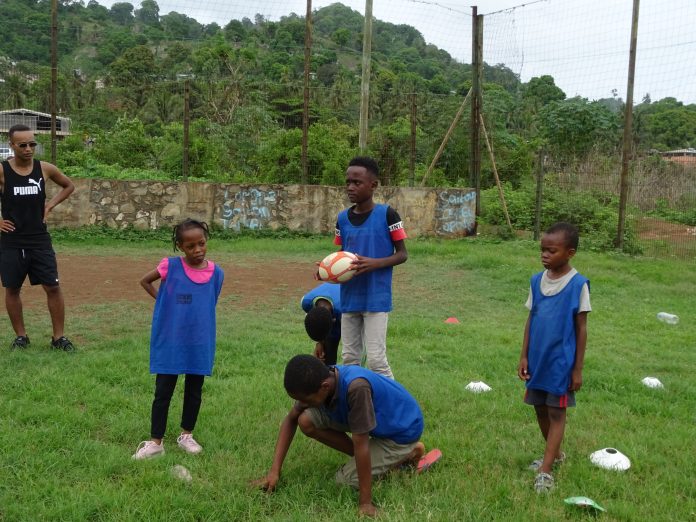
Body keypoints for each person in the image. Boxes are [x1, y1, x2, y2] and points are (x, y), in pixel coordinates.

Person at [253, 354, 441, 518]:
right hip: (376, 422)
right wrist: (274, 471)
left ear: (324, 387)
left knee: (344, 481)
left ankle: (406, 453)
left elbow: (361, 444)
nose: (301, 404)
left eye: (306, 400)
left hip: (401, 431)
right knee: (305, 420)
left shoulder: (356, 389)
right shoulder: (325, 378)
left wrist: (365, 503)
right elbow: (291, 420)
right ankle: (375, 461)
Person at [132, 219, 224, 460]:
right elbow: (144, 281)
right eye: (190, 246)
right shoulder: (169, 267)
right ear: (180, 246)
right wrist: (164, 301)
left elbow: (207, 304)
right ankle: (155, 443)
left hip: (199, 341)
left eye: (201, 244)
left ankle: (186, 435)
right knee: (163, 391)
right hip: (171, 340)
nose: (198, 250)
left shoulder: (217, 273)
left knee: (195, 390)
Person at [517, 222, 591, 493]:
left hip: (560, 364)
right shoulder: (536, 281)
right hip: (537, 360)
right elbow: (531, 318)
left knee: (556, 413)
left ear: (570, 252)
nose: (545, 255)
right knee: (539, 408)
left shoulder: (578, 285)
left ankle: (546, 470)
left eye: (552, 250)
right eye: (542, 250)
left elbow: (581, 329)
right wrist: (524, 355)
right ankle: (556, 456)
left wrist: (577, 369)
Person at [0, 124, 75, 351]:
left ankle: (58, 338)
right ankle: (21, 337)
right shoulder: (3, 171)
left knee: (53, 287)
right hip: (11, 240)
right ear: (11, 146)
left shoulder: (45, 169)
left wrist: (50, 205)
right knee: (12, 289)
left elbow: (68, 185)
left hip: (39, 239)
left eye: (32, 144)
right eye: (22, 145)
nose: (28, 148)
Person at [332, 156, 408, 379]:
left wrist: (375, 263)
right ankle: (353, 405)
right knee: (349, 359)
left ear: (373, 185)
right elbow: (340, 255)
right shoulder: (342, 219)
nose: (350, 187)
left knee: (376, 361)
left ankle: (393, 405)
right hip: (349, 297)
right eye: (348, 182)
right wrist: (327, 268)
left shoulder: (387, 215)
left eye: (357, 182)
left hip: (376, 298)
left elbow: (403, 254)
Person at [301, 282, 342, 365]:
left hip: (346, 307)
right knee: (327, 354)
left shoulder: (344, 310)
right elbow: (318, 325)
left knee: (351, 353)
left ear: (333, 320)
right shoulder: (306, 302)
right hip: (333, 310)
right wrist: (320, 342)